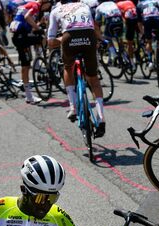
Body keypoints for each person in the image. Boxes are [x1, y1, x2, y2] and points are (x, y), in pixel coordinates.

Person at [47, 0, 107, 136]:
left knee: (68, 68)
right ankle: (101, 117)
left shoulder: (56, 10)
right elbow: (94, 27)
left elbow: (50, 42)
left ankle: (73, 107)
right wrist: (102, 40)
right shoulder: (84, 5)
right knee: (93, 78)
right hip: (89, 37)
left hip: (69, 38)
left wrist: (61, 40)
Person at [9, 0, 46, 104]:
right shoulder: (35, 5)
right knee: (25, 67)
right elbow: (27, 17)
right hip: (22, 38)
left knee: (26, 66)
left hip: (19, 36)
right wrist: (38, 28)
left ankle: (38, 60)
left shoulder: (27, 5)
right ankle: (29, 96)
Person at [116, 0, 138, 66]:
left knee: (128, 42)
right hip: (136, 17)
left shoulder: (118, 4)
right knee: (133, 38)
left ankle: (131, 61)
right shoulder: (129, 1)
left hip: (128, 19)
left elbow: (121, 17)